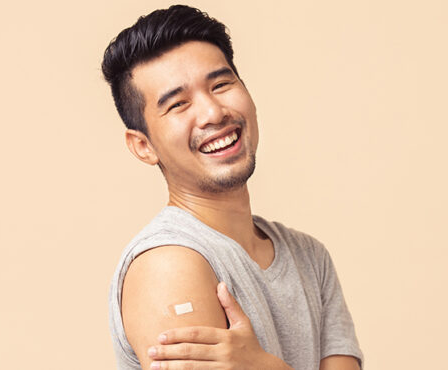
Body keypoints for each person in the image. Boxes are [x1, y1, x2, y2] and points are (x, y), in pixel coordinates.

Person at [102, 5, 363, 370]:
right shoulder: (169, 264)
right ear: (143, 145)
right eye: (178, 104)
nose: (213, 112)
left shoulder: (309, 257)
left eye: (221, 85)